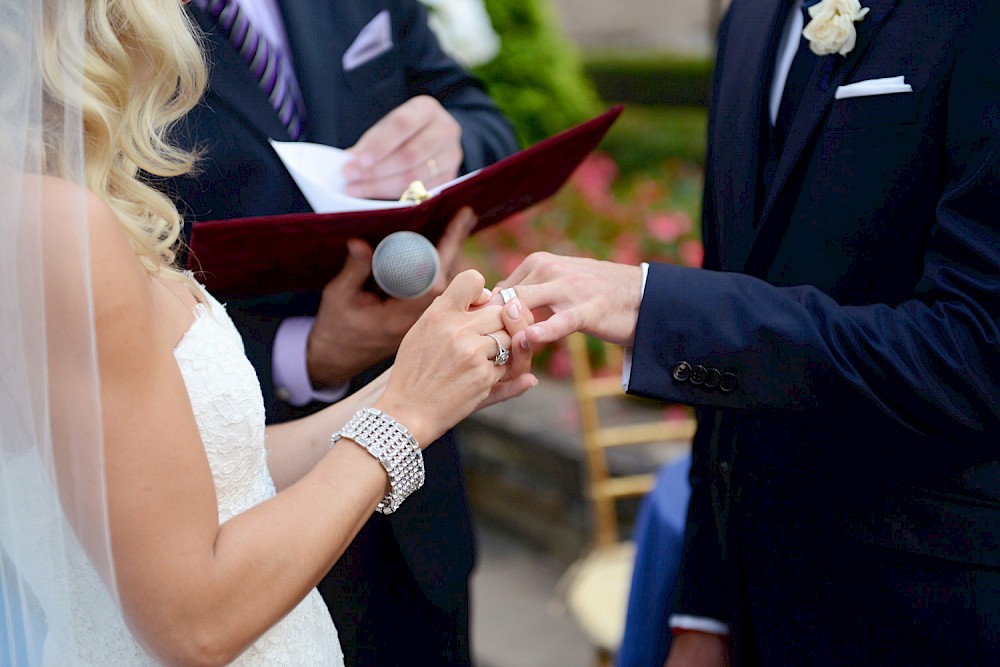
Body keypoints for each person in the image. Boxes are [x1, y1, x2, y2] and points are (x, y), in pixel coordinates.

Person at [0, 0, 534, 664]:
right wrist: (406, 413)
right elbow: (194, 623)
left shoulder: (54, 198)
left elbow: (218, 466)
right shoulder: (58, 226)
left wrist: (433, 378)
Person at [495, 0, 1000, 664]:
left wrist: (656, 307)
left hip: (924, 613)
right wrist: (703, 608)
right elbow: (741, 304)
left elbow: (972, 354)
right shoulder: (750, 20)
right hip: (753, 604)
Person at [161, 1, 519, 663]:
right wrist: (306, 356)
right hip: (219, 531)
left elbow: (479, 115)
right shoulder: (97, 26)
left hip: (417, 530)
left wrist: (454, 138)